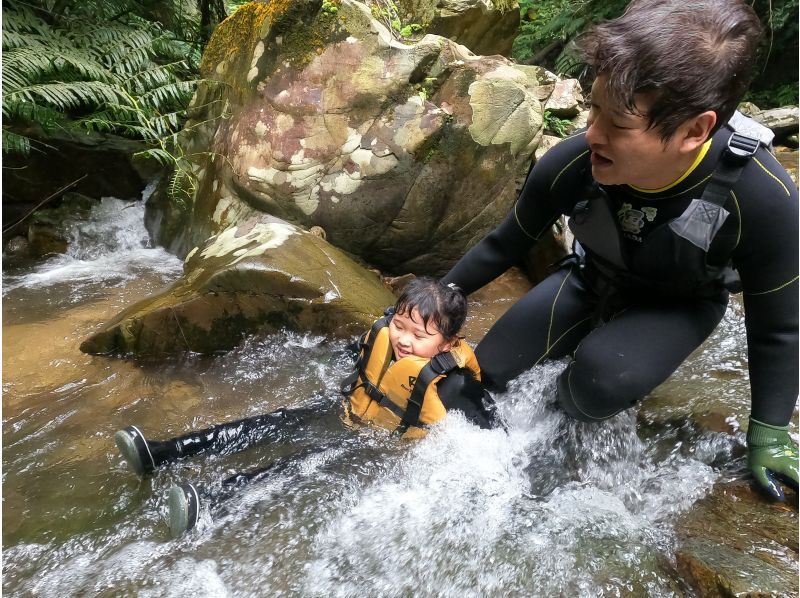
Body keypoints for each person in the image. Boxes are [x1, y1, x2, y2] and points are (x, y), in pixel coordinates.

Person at [442, 0, 798, 501]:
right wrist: (430, 305)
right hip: (592, 277)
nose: (591, 134)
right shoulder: (576, 163)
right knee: (479, 380)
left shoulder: (763, 199)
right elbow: (506, 242)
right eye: (592, 108)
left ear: (696, 129)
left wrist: (769, 434)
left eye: (618, 124)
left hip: (680, 303)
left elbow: (779, 328)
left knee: (596, 385)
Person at [114, 277, 497, 536]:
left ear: (447, 344)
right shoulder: (383, 335)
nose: (404, 340)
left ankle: (211, 503)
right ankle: (163, 453)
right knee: (267, 424)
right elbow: (355, 357)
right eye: (400, 325)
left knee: (304, 462)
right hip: (351, 411)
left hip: (381, 445)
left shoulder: (454, 384)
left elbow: (492, 432)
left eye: (420, 335)